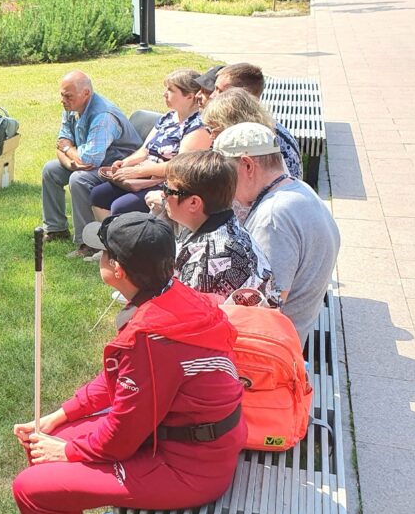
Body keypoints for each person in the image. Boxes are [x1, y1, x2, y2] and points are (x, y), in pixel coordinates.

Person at [11, 212, 245, 514]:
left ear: (118, 269)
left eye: (101, 251)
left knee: (30, 488)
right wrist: (59, 416)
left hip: (190, 467)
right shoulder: (171, 295)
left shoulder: (152, 339)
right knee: (44, 440)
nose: (98, 257)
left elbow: (123, 435)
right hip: (188, 443)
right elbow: (117, 381)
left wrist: (71, 451)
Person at [214, 123, 340, 347]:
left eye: (224, 174)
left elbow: (265, 306)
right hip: (286, 337)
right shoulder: (298, 188)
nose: (224, 185)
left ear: (247, 165)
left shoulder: (272, 218)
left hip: (268, 352)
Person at [88, 70, 212, 238]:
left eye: (170, 90)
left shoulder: (198, 126)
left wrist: (139, 171)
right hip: (142, 176)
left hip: (165, 182)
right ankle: (109, 243)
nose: (164, 94)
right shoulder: (168, 118)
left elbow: (180, 167)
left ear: (189, 96)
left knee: (121, 206)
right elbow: (145, 150)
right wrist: (125, 164)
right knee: (98, 195)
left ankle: (124, 249)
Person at [41, 70, 140, 258]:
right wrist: (71, 163)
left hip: (117, 167)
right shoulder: (72, 108)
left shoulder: (103, 115)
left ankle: (88, 242)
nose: (63, 100)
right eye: (62, 95)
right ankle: (56, 229)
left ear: (85, 93)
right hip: (89, 162)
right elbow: (61, 141)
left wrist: (69, 152)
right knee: (51, 170)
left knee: (79, 180)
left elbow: (88, 159)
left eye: (68, 96)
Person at [162, 150, 280, 304]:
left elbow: (186, 316)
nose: (163, 194)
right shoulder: (223, 225)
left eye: (168, 190)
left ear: (193, 203)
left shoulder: (211, 257)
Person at [212, 63, 303, 180]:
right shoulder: (255, 123)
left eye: (220, 91)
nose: (212, 96)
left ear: (243, 96)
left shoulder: (256, 136)